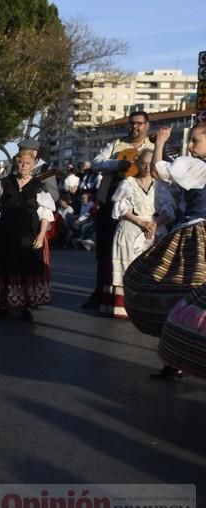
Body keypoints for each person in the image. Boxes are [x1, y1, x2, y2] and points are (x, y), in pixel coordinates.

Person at [122, 124, 206, 379]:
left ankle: (177, 360)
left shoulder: (197, 166)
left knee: (179, 290)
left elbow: (158, 170)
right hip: (192, 230)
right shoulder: (196, 166)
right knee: (188, 293)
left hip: (196, 232)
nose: (190, 146)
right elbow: (161, 172)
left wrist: (160, 143)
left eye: (195, 140)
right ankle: (178, 359)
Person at [83, 111, 154, 310]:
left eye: (139, 123)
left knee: (139, 251)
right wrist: (117, 164)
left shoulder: (154, 148)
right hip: (110, 205)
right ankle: (101, 293)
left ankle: (135, 297)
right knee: (105, 251)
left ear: (147, 125)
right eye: (131, 123)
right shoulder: (116, 144)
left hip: (140, 209)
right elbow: (96, 163)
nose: (134, 127)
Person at [0, 148, 55, 320]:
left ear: (33, 165)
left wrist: (41, 235)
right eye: (21, 162)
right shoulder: (4, 183)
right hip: (6, 233)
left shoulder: (38, 186)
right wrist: (0, 213)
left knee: (26, 267)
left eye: (28, 163)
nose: (24, 165)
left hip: (28, 234)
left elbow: (46, 213)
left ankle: (25, 306)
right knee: (4, 266)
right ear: (16, 163)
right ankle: (1, 305)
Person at [107, 149, 174, 318]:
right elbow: (121, 210)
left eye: (150, 164)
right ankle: (124, 307)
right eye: (143, 163)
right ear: (137, 163)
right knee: (128, 267)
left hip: (155, 230)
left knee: (153, 268)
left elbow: (169, 212)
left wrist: (154, 223)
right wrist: (141, 222)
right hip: (131, 227)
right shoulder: (128, 183)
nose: (146, 167)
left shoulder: (162, 186)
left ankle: (148, 307)